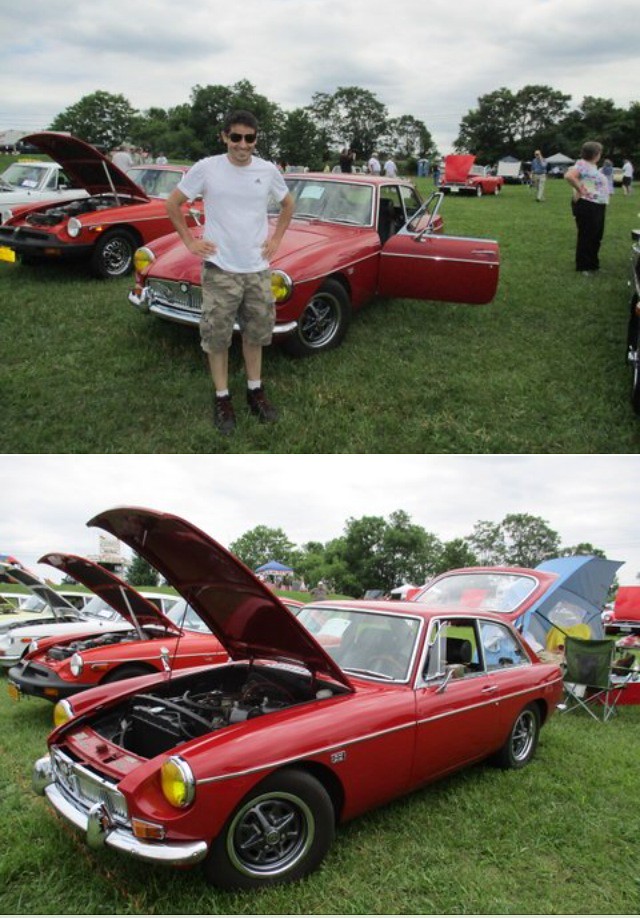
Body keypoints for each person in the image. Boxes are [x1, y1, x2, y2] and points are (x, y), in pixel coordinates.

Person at [166, 109, 295, 434]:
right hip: (220, 267)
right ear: (224, 137)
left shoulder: (267, 170)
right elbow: (173, 203)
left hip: (256, 269)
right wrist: (189, 242)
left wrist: (276, 238)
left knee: (256, 333)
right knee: (218, 336)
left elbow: (288, 204)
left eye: (249, 138)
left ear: (256, 139)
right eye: (235, 137)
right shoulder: (207, 168)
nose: (242, 145)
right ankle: (222, 397)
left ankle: (255, 391)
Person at [564, 140, 610, 275]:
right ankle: (583, 266)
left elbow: (587, 181)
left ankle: (593, 265)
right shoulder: (582, 165)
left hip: (597, 205)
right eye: (599, 152)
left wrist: (583, 187)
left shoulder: (591, 167)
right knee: (587, 236)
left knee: (596, 236)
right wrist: (580, 189)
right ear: (596, 154)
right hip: (588, 205)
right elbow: (569, 176)